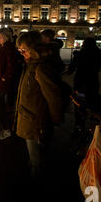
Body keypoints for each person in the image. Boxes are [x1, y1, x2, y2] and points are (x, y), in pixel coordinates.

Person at [14, 31, 64, 179]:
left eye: (24, 50)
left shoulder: (41, 68)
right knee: (33, 156)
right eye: (19, 50)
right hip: (29, 117)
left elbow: (54, 98)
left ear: (34, 48)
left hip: (36, 122)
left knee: (37, 160)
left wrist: (52, 122)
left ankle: (37, 189)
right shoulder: (30, 64)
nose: (21, 53)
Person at [67, 37, 101, 135]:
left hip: (80, 82)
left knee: (78, 104)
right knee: (91, 103)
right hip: (92, 82)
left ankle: (79, 125)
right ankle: (92, 125)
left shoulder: (80, 54)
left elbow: (71, 69)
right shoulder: (99, 54)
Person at [0, 28, 20, 139]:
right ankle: (7, 126)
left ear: (6, 36)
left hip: (3, 82)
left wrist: (5, 77)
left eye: (0, 37)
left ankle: (6, 129)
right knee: (0, 105)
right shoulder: (4, 47)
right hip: (0, 81)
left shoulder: (8, 48)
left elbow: (11, 65)